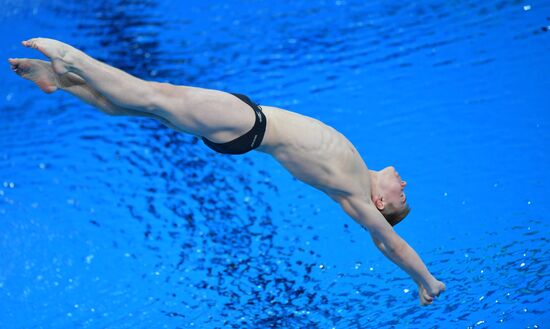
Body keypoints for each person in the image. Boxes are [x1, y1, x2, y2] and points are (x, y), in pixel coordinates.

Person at [8, 38, 446, 306]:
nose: (404, 184)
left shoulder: (354, 191)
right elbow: (385, 239)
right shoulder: (353, 174)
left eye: (402, 196)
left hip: (248, 124)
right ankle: (59, 81)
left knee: (150, 96)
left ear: (381, 203)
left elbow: (388, 241)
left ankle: (71, 60)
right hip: (245, 123)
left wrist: (425, 280)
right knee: (138, 109)